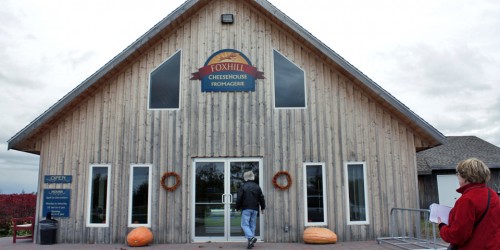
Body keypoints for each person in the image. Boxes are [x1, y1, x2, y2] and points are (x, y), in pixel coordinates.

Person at [437, 158, 500, 249]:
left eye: (458, 174)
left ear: (466, 177)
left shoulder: (466, 200)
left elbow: (458, 236)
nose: (457, 177)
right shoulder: (492, 194)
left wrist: (442, 227)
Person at [236, 171, 265, 249]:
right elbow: (261, 198)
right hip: (255, 208)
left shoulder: (243, 186)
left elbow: (239, 198)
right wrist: (263, 208)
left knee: (244, 224)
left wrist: (237, 207)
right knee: (252, 225)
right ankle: (250, 243)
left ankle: (251, 238)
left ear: (245, 178)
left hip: (246, 208)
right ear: (252, 177)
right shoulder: (257, 187)